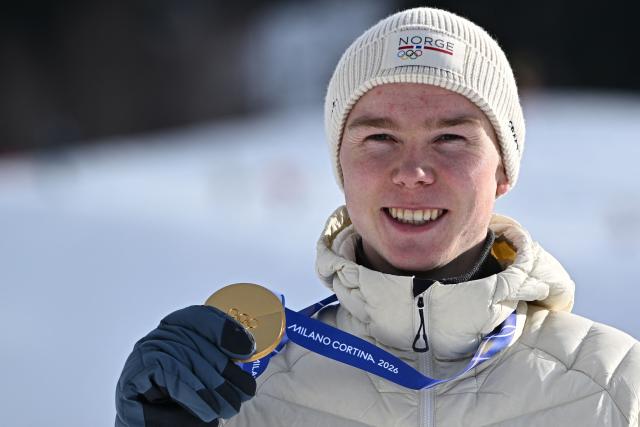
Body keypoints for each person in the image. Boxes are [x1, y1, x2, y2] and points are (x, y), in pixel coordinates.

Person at [115, 7, 640, 427]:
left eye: (451, 139)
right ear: (341, 167)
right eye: (379, 138)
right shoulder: (245, 392)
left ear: (504, 170)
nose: (412, 172)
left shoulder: (614, 386)